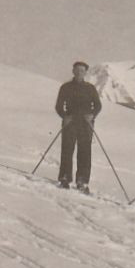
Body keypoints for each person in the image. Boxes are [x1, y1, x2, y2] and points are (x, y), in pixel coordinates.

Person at [53, 61, 102, 191]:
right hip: (70, 122)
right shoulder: (65, 87)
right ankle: (64, 178)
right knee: (67, 150)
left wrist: (92, 115)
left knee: (85, 152)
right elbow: (58, 106)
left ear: (85, 73)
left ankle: (82, 181)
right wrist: (64, 116)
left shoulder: (90, 88)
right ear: (73, 71)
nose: (79, 72)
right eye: (77, 70)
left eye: (82, 70)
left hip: (86, 124)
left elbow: (98, 106)